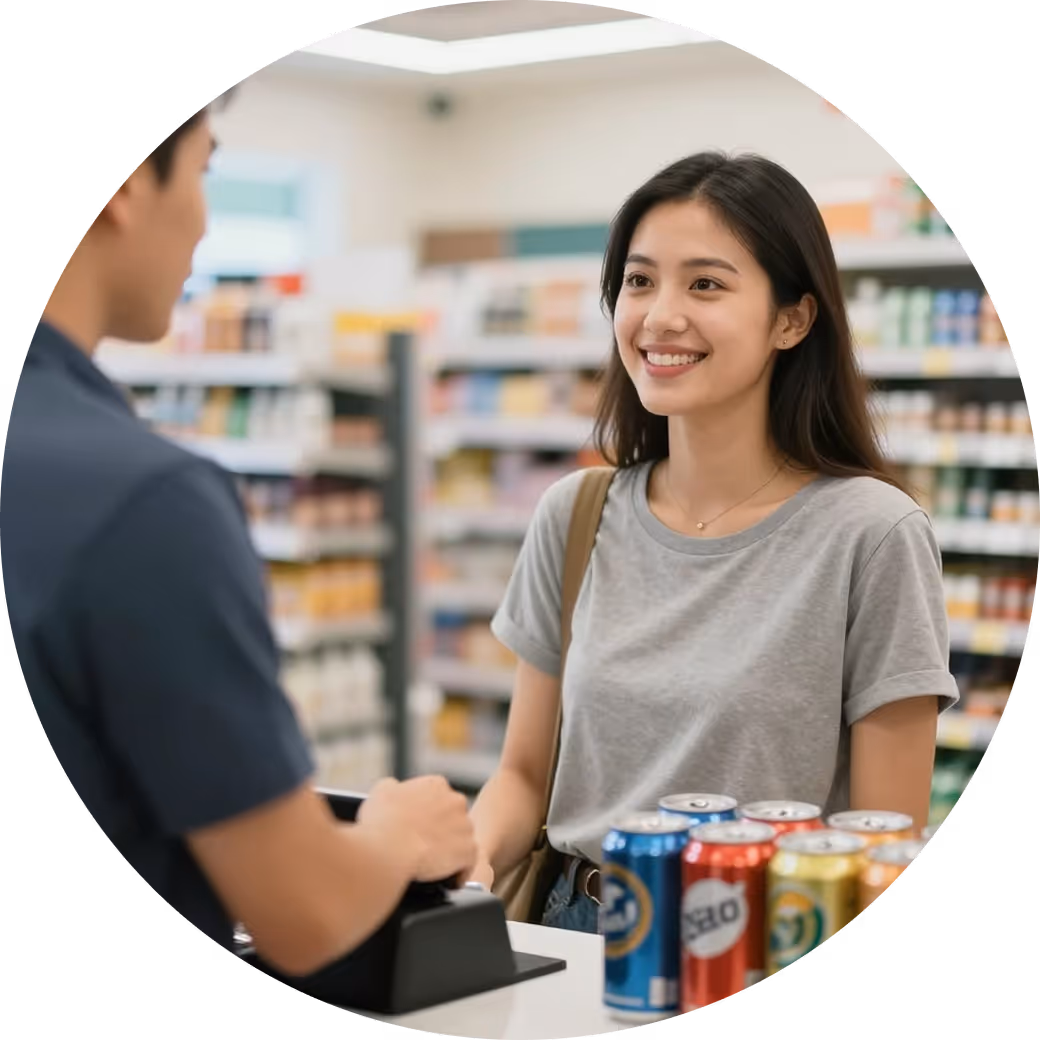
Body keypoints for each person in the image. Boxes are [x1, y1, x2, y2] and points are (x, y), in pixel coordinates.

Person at [1, 94, 477, 977]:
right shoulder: (145, 501)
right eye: (207, 169)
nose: (205, 224)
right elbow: (307, 910)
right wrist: (394, 836)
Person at [466, 151, 960, 933]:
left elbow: (884, 845)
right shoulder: (576, 514)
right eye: (639, 280)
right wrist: (463, 863)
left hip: (761, 939)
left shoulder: (872, 533)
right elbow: (523, 776)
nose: (660, 316)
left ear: (792, 319)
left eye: (706, 283)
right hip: (569, 926)